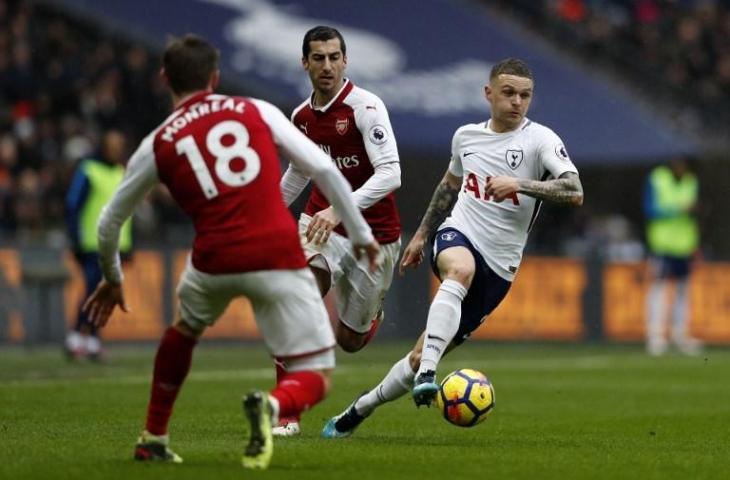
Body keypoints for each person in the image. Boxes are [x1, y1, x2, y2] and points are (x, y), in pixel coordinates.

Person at [82, 34, 379, 469]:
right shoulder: (254, 109)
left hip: (212, 260)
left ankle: (154, 436)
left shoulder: (159, 142)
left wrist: (112, 277)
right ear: (215, 77)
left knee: (183, 331)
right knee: (317, 375)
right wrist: (359, 232)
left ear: (165, 78)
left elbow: (109, 221)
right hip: (276, 254)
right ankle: (275, 407)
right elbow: (321, 167)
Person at [320, 58, 584, 438]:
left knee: (415, 356)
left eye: (525, 95)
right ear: (488, 93)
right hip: (458, 234)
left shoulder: (541, 140)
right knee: (459, 270)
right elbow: (449, 186)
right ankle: (430, 372)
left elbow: (574, 190)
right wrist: (424, 234)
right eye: (508, 93)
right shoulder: (466, 136)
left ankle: (359, 409)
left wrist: (520, 184)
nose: (516, 102)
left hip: (500, 266)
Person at [274, 25, 402, 436]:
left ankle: (369, 318)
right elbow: (300, 169)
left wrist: (339, 208)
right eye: (318, 58)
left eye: (334, 57)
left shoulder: (366, 108)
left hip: (373, 236)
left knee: (350, 340)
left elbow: (391, 173)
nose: (326, 66)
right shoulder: (301, 117)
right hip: (319, 222)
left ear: (345, 61)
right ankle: (287, 414)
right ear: (305, 63)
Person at [64, 128, 132, 361]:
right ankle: (76, 336)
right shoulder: (89, 170)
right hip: (92, 243)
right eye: (112, 145)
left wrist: (128, 244)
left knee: (103, 293)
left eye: (119, 145)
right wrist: (75, 239)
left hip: (116, 245)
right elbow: (73, 204)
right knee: (93, 290)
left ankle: (91, 339)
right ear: (103, 146)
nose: (116, 149)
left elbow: (128, 213)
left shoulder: (122, 172)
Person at [643, 156, 701, 356]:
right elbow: (650, 210)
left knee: (683, 292)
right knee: (658, 290)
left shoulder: (691, 182)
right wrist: (678, 209)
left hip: (684, 245)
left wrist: (695, 245)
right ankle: (655, 335)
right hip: (662, 245)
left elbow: (694, 216)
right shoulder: (658, 178)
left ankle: (680, 335)